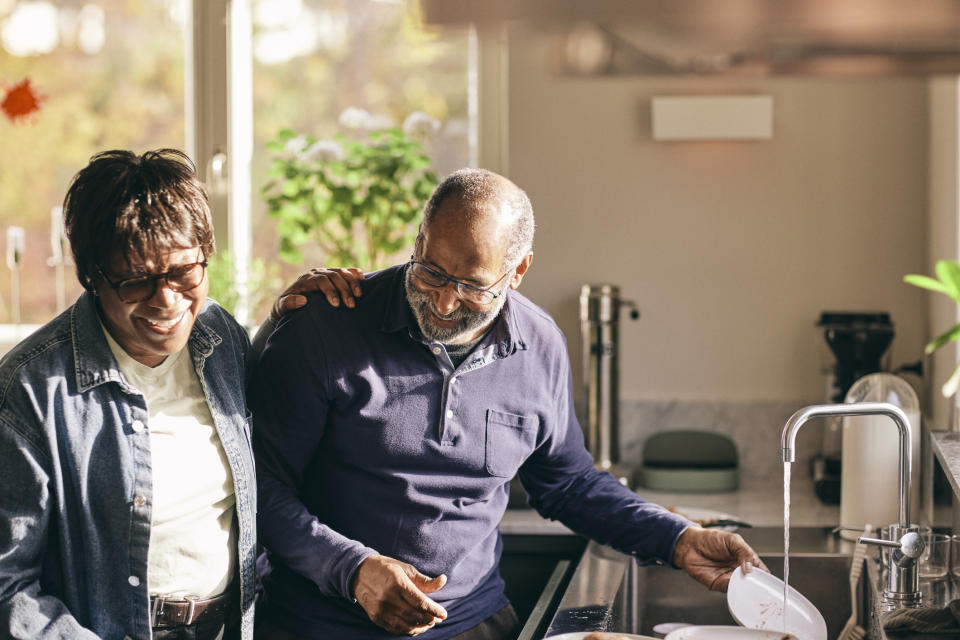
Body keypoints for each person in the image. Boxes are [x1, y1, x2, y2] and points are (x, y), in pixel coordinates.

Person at [251, 168, 766, 640]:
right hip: (319, 625)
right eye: (429, 271)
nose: (444, 303)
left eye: (472, 285)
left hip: (474, 623)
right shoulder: (325, 326)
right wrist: (354, 570)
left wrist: (678, 539)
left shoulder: (540, 345)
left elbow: (567, 484)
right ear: (417, 241)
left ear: (518, 271)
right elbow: (262, 488)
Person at [0, 149, 361, 640]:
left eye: (184, 273)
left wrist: (285, 319)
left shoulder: (219, 336)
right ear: (92, 277)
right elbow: (9, 587)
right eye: (136, 282)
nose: (167, 300)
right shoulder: (31, 391)